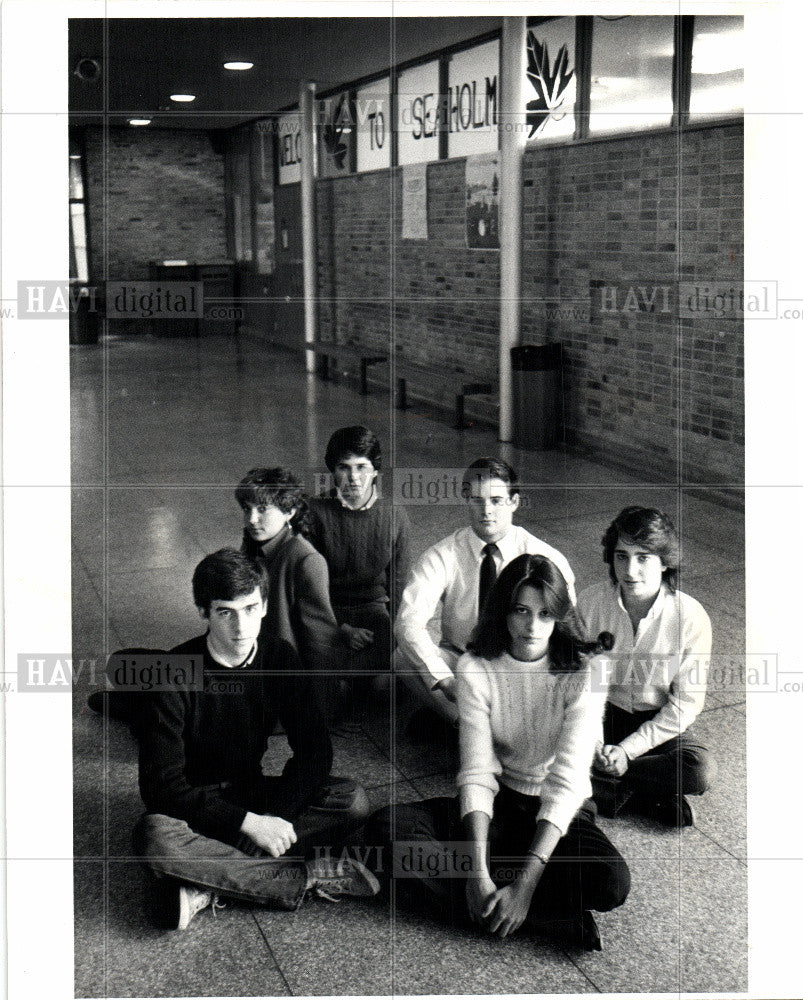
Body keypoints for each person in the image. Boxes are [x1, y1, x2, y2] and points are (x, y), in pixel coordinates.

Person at [367, 555, 629, 951]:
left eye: (545, 614)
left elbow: (568, 783)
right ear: (503, 609)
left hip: (555, 813)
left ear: (560, 615)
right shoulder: (476, 668)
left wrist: (523, 886)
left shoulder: (588, 671)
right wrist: (476, 874)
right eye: (521, 610)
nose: (532, 626)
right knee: (387, 830)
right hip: (499, 805)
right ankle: (548, 920)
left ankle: (504, 900)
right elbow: (477, 773)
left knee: (610, 882)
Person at [133, 549, 378, 931]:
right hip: (194, 807)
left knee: (354, 801)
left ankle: (210, 884)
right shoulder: (174, 673)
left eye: (250, 609)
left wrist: (275, 817)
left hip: (253, 792)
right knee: (154, 838)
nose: (241, 626)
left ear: (264, 606)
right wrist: (249, 825)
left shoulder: (279, 655)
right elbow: (160, 788)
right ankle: (303, 878)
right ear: (203, 613)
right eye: (224, 612)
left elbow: (315, 750)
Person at [394, 457, 575, 726]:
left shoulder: (543, 555)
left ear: (514, 502)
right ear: (466, 500)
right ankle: (461, 722)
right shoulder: (444, 554)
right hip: (462, 658)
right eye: (477, 499)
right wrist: (445, 679)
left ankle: (484, 724)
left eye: (496, 500)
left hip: (519, 661)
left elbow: (568, 625)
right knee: (401, 658)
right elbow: (409, 622)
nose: (486, 510)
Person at [578, 506, 717, 827]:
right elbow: (582, 684)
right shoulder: (590, 603)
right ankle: (648, 793)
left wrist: (627, 753)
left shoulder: (691, 617)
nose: (630, 570)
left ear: (665, 562)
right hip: (600, 713)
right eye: (621, 556)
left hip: (655, 724)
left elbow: (685, 704)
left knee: (699, 770)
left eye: (644, 558)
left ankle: (607, 788)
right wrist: (597, 741)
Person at [307, 426, 411, 683]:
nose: (353, 477)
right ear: (333, 470)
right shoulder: (314, 512)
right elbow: (308, 587)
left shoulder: (395, 516)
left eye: (361, 467)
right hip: (328, 613)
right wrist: (343, 628)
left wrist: (397, 637)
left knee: (384, 688)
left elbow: (399, 587)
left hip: (375, 614)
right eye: (344, 467)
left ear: (375, 470)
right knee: (326, 676)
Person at [237, 467, 343, 673]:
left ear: (289, 512)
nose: (251, 519)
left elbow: (320, 641)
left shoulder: (305, 560)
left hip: (286, 673)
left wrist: (321, 699)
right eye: (246, 509)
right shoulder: (250, 545)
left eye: (262, 509)